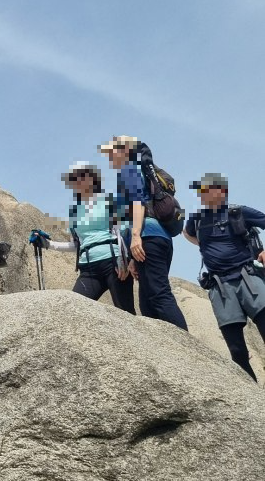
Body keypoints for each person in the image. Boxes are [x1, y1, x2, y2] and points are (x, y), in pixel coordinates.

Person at [99, 136, 188, 330]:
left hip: (148, 238)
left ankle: (188, 345)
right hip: (157, 238)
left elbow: (138, 204)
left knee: (158, 295)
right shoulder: (140, 171)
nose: (109, 156)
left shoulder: (129, 169)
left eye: (111, 152)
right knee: (147, 301)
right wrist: (132, 258)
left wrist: (136, 236)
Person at [183, 173, 265, 380]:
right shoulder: (197, 219)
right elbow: (186, 232)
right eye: (200, 190)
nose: (202, 194)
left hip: (248, 277)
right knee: (237, 350)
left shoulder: (238, 212)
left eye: (206, 189)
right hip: (220, 286)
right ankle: (251, 393)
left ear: (221, 191)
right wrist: (203, 245)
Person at [30, 161, 135, 313]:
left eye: (82, 176)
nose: (78, 180)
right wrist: (48, 244)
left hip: (113, 262)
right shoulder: (74, 212)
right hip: (88, 268)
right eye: (74, 178)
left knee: (126, 312)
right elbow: (77, 245)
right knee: (74, 310)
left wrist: (126, 260)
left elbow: (125, 232)